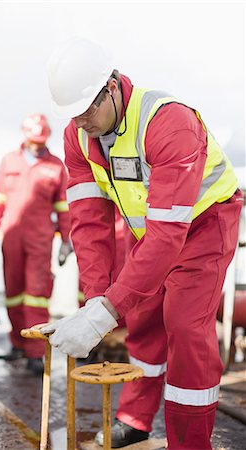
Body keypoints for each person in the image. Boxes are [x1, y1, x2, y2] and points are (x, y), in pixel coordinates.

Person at [41, 37, 243, 449]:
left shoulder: (169, 123)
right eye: (72, 115)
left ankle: (188, 442)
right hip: (152, 231)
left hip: (206, 223)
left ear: (112, 86)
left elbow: (170, 234)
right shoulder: (77, 136)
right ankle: (135, 418)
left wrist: (105, 313)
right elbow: (89, 224)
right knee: (144, 320)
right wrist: (97, 301)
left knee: (186, 325)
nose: (80, 122)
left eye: (86, 110)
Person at [0, 113, 72, 375]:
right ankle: (17, 343)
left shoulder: (56, 167)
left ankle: (35, 352)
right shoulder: (9, 161)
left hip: (40, 239)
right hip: (11, 236)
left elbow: (64, 208)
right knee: (13, 292)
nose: (36, 146)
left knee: (36, 294)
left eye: (40, 141)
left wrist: (66, 241)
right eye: (32, 141)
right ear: (24, 136)